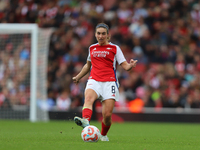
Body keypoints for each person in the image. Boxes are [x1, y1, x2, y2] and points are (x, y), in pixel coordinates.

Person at [72, 23, 138, 141]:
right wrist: (78, 77)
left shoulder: (115, 48)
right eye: (98, 33)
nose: (101, 36)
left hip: (109, 83)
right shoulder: (92, 48)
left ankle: (103, 135)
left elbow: (125, 66)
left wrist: (131, 65)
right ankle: (85, 120)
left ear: (108, 35)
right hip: (94, 80)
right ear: (95, 34)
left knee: (107, 116)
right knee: (88, 99)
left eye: (103, 34)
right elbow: (88, 66)